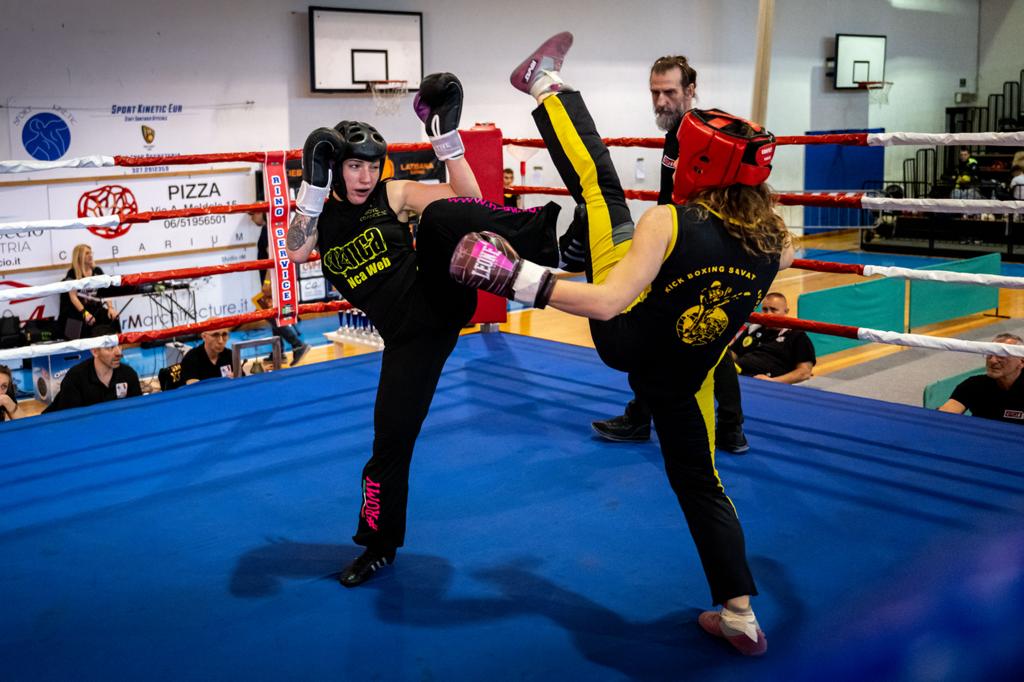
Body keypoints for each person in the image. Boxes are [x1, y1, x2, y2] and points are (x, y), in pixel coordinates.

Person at [452, 32, 792, 656]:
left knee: (601, 189)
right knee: (702, 481)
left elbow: (607, 304)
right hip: (686, 374)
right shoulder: (775, 243)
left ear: (695, 163)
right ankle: (740, 613)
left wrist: (519, 279)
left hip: (626, 334)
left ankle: (544, 83)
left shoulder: (668, 219)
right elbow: (720, 317)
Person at [285, 72, 560, 588]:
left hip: (438, 291)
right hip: (411, 337)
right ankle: (378, 546)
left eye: (370, 165)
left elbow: (467, 197)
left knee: (438, 221)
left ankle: (553, 246)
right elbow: (297, 251)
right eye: (353, 166)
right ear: (336, 168)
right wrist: (313, 185)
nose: (365, 176)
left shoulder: (393, 193)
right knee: (389, 441)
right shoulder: (319, 216)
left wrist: (446, 140)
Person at [590, 55, 749, 453]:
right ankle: (652, 417)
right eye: (655, 92)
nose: (660, 101)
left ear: (690, 90)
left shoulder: (707, 135)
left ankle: (726, 426)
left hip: (702, 247)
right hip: (678, 243)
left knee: (701, 335)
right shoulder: (678, 133)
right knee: (684, 333)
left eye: (669, 92)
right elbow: (670, 197)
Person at [43, 325, 142, 413]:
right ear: (95, 351)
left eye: (119, 345)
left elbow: (138, 411)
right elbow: (70, 420)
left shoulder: (129, 375)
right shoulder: (75, 378)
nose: (119, 353)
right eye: (110, 348)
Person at [939, 333, 1023, 424]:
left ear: (1022, 362)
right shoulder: (973, 385)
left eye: (1001, 356)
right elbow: (943, 418)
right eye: (989, 354)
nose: (992, 360)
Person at [731, 292, 815, 384]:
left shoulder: (797, 335)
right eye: (765, 309)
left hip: (766, 385)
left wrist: (772, 381)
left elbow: (804, 372)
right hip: (737, 378)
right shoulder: (753, 328)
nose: (768, 314)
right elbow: (732, 354)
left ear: (786, 311)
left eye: (773, 309)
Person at [58, 244, 120, 340]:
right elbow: (73, 297)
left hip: (95, 307)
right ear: (79, 256)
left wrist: (110, 308)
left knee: (112, 316)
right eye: (87, 253)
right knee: (81, 320)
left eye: (91, 253)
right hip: (78, 309)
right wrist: (84, 313)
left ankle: (115, 345)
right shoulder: (72, 273)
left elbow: (106, 292)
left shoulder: (97, 271)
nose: (90, 255)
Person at [251, 278, 311, 366]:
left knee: (272, 316)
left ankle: (297, 345)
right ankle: (279, 352)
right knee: (273, 317)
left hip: (272, 282)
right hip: (274, 281)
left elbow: (271, 264)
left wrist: (267, 282)